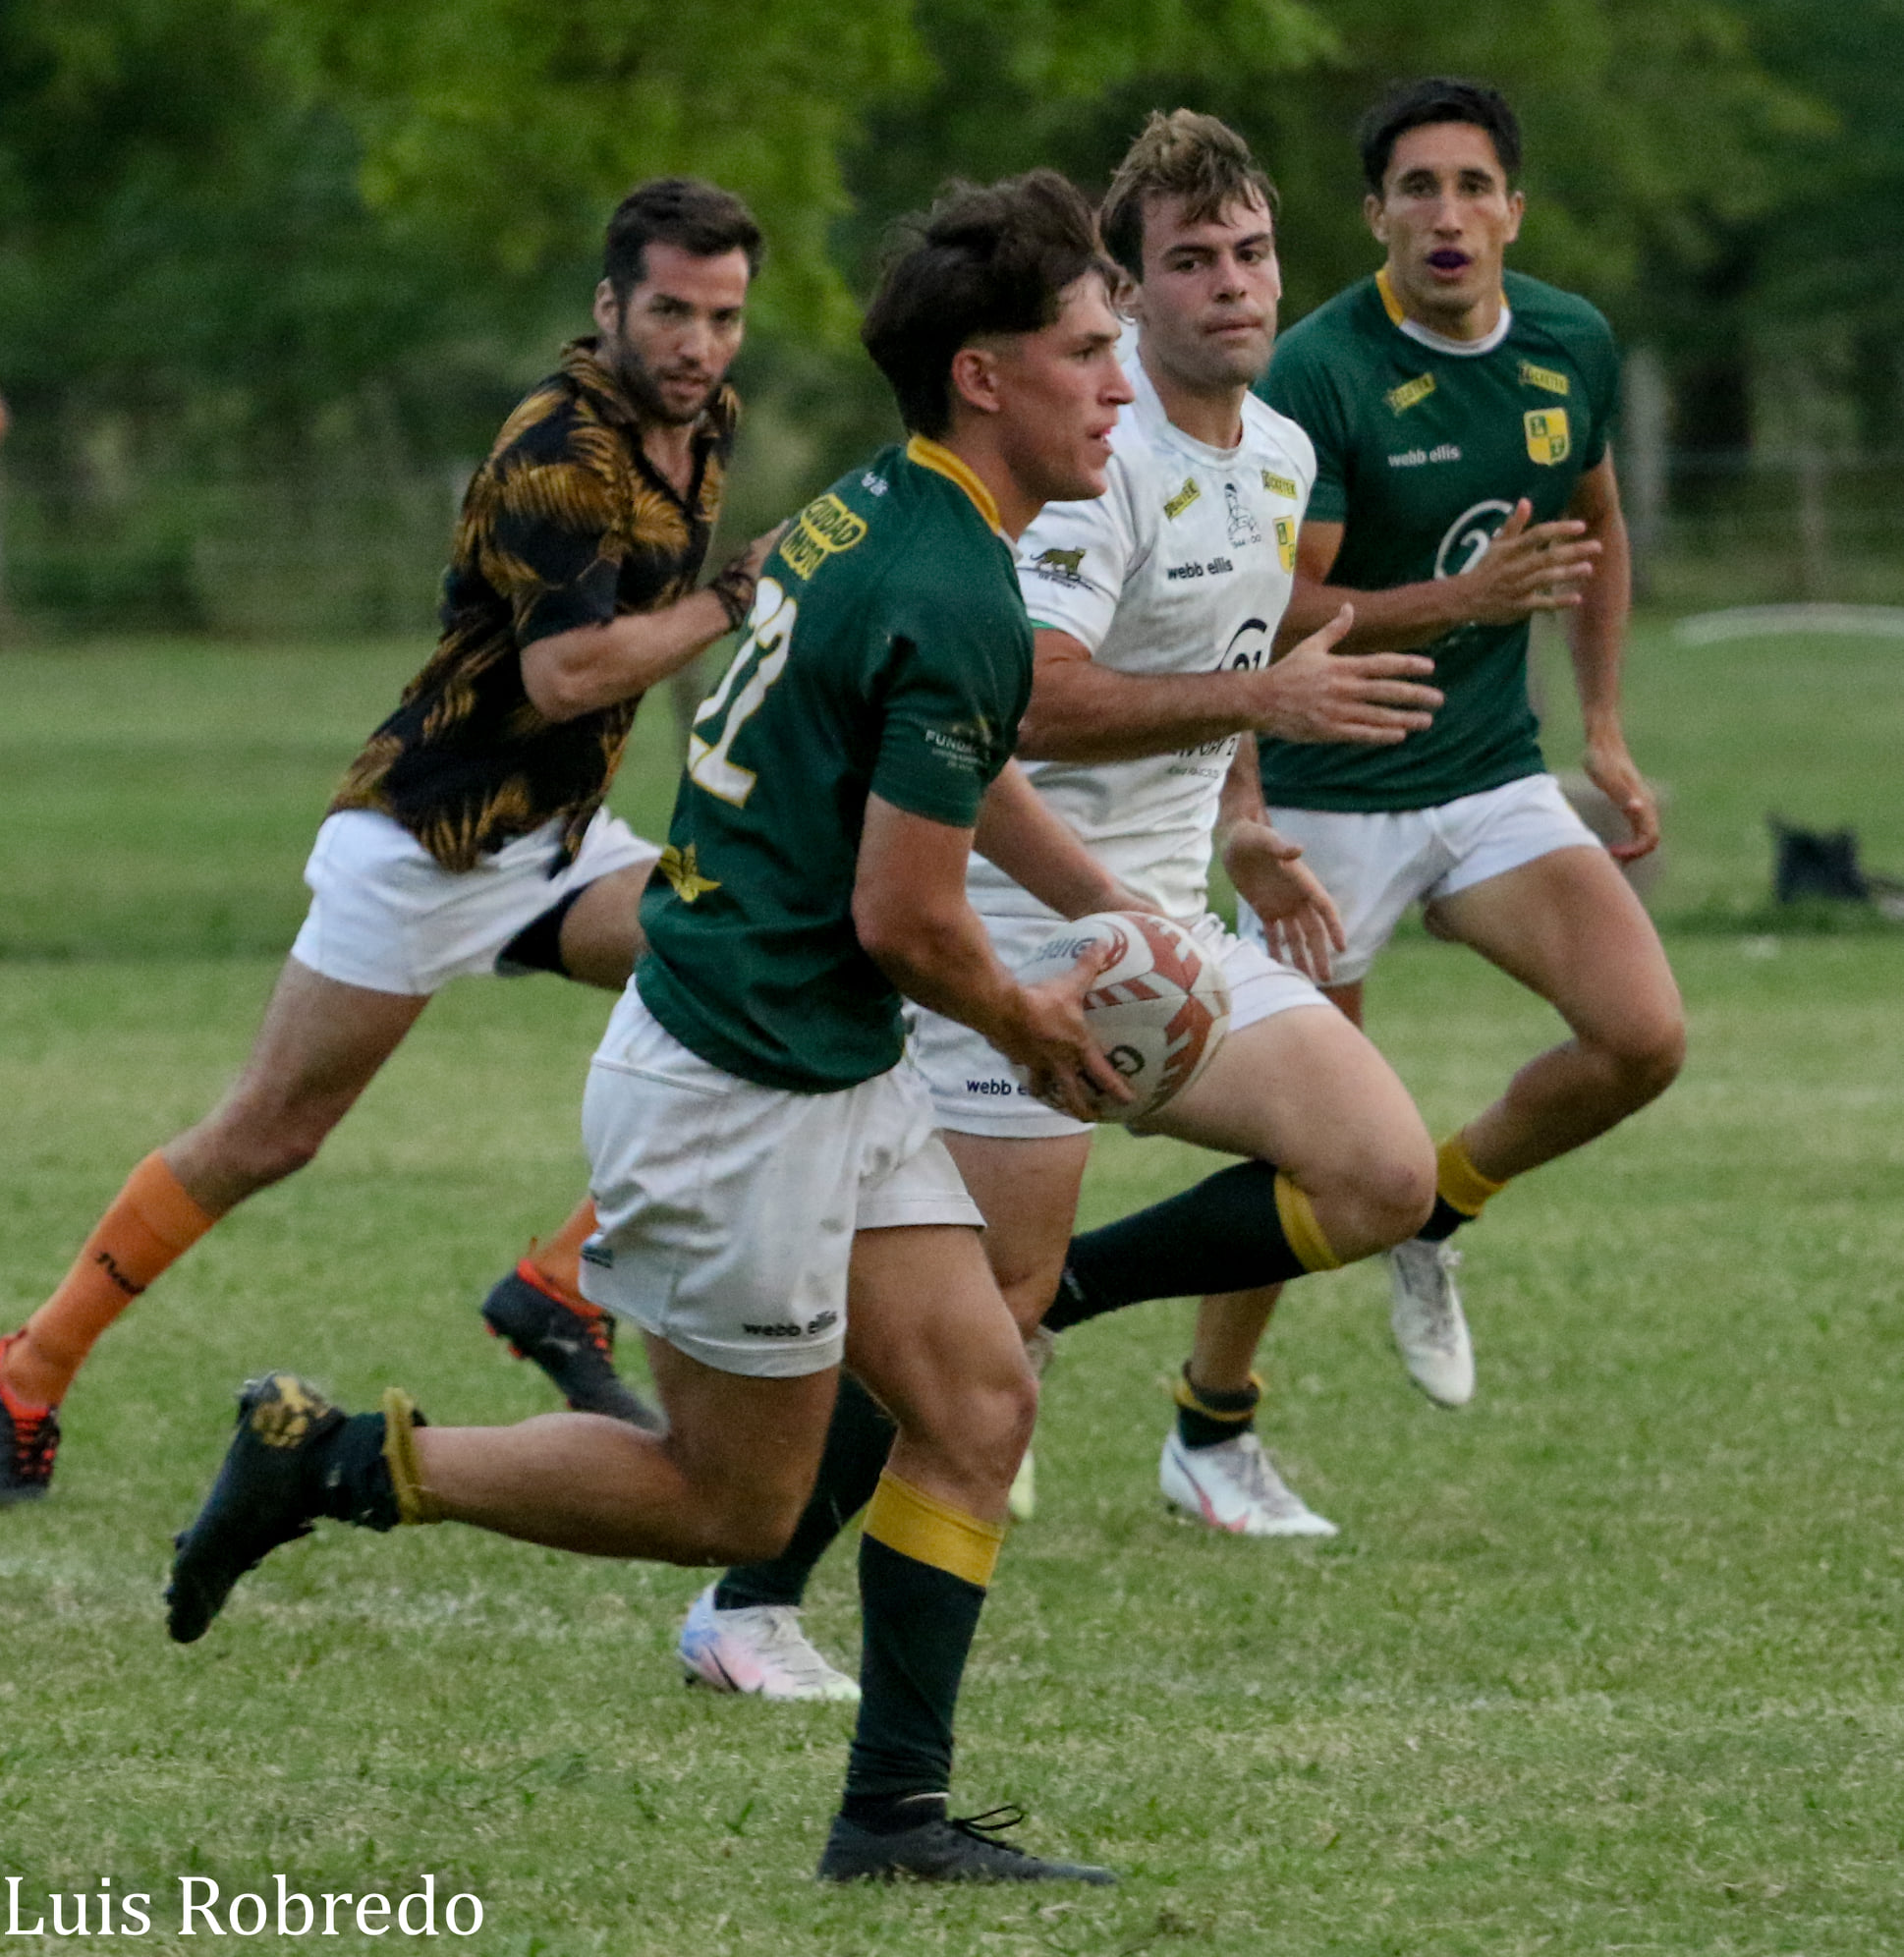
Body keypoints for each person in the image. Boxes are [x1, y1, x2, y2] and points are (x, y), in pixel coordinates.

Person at [166, 169, 1165, 1886]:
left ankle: (892, 1818)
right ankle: (332, 1461)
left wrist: (1101, 910)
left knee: (979, 1401)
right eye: (1087, 352)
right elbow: (904, 917)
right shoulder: (955, 582)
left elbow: (946, 757)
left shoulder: (877, 512)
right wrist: (1034, 1022)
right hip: (737, 1092)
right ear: (984, 377)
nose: (1120, 389)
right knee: (735, 1504)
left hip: (815, 1065)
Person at [677, 109, 1456, 1704]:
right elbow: (1028, 698)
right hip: (1017, 922)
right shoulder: (1087, 467)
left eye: (1250, 254)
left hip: (1160, 919)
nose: (1231, 288)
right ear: (1133, 295)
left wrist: (1243, 822)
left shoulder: (1285, 456)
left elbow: (1217, 687)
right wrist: (1263, 709)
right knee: (971, 1343)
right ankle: (745, 1603)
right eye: (1187, 266)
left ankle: (1063, 1295)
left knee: (1381, 1173)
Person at [0, 178, 786, 1503]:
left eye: (722, 317)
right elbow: (568, 676)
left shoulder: (705, 423)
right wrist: (737, 597)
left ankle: (557, 1285)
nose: (697, 344)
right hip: (429, 843)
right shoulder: (556, 450)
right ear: (608, 308)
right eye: (668, 311)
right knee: (267, 1134)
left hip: (559, 845)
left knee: (762, 972)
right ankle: (27, 1369)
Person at [1244, 78, 1684, 1407]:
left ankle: (1439, 1214)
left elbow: (1591, 525)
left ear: (1511, 210)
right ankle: (1212, 1418)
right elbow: (1267, 613)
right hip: (1327, 795)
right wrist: (1453, 604)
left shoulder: (1567, 343)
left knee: (1640, 1039)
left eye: (1472, 186)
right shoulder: (1316, 370)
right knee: (1307, 1145)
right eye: (1417, 188)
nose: (1447, 213)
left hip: (1488, 773)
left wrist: (1600, 731)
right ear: (1374, 213)